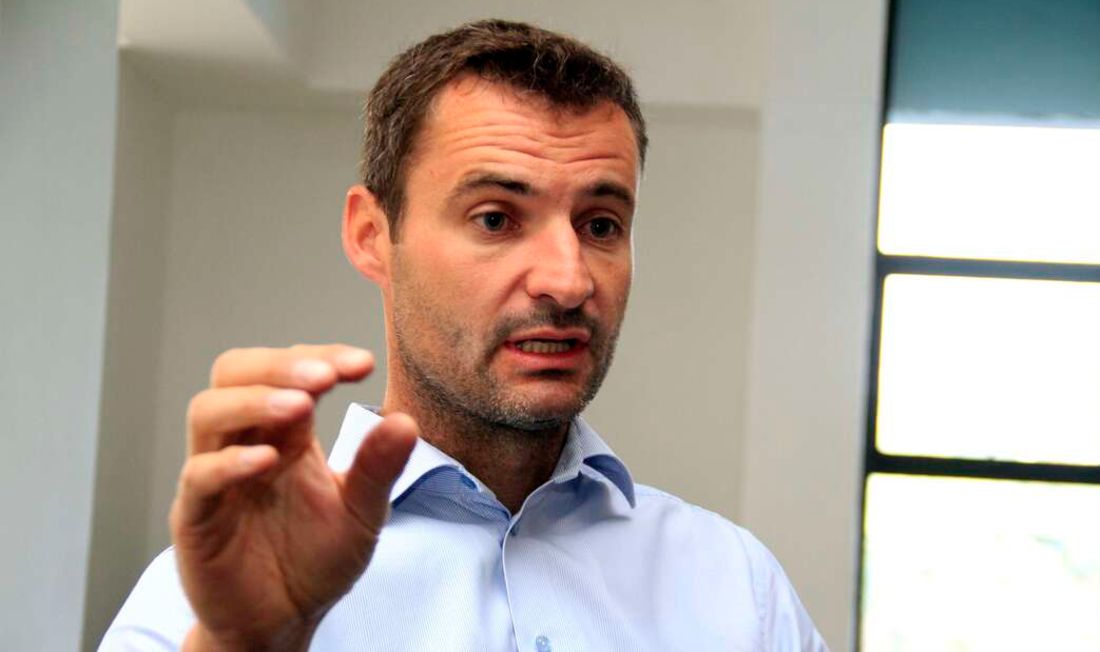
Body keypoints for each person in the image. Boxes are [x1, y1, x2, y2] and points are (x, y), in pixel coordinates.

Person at [100, 19, 826, 651]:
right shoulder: (211, 604)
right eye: (496, 219)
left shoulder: (739, 589)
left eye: (601, 225)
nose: (568, 280)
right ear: (372, 235)